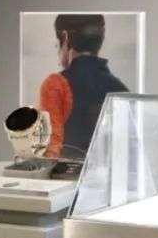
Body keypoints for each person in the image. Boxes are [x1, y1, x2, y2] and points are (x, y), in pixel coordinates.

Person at [39, 14, 129, 159]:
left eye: (57, 44)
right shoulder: (121, 89)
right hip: (106, 172)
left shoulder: (56, 84)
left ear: (65, 37)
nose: (57, 50)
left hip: (67, 171)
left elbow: (51, 150)